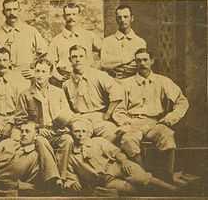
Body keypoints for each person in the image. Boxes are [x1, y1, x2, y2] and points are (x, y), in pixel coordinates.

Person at [113, 48, 189, 176]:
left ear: (151, 61)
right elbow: (119, 110)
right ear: (135, 63)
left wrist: (170, 119)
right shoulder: (125, 84)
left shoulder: (163, 81)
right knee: (127, 140)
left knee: (167, 135)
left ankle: (167, 176)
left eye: (145, 60)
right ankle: (144, 177)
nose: (142, 63)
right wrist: (125, 124)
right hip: (133, 123)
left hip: (154, 122)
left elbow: (182, 102)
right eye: (138, 61)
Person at [65, 117, 178, 194]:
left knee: (141, 177)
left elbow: (116, 152)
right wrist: (74, 182)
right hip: (105, 180)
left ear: (89, 133)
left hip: (117, 167)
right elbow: (70, 173)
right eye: (77, 131)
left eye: (84, 131)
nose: (80, 135)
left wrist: (124, 161)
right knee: (128, 189)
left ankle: (174, 190)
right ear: (72, 133)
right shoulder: (71, 156)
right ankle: (157, 194)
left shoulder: (97, 141)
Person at [17, 57, 74, 186]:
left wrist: (60, 126)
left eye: (44, 72)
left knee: (67, 140)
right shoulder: (25, 94)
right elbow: (20, 120)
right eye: (37, 71)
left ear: (49, 74)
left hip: (55, 131)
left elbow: (67, 113)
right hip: (39, 133)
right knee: (40, 141)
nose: (40, 75)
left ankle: (63, 177)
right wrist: (37, 128)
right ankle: (53, 179)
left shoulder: (58, 92)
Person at [63, 45, 124, 142]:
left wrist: (107, 114)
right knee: (78, 141)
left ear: (86, 58)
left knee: (112, 136)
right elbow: (66, 108)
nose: (78, 60)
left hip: (99, 117)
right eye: (74, 57)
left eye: (81, 56)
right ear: (69, 59)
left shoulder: (99, 76)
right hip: (80, 119)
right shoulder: (66, 84)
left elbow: (118, 92)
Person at [0, 0, 48, 91]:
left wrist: (35, 72)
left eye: (15, 9)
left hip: (25, 79)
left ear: (19, 11)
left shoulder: (31, 31)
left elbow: (45, 55)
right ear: (3, 12)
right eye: (8, 10)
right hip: (3, 80)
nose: (12, 13)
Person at [48, 2, 102, 86]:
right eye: (68, 14)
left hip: (88, 79)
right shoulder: (56, 40)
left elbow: (105, 52)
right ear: (64, 17)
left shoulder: (89, 36)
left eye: (74, 14)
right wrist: (58, 77)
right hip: (66, 80)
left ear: (79, 16)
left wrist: (96, 68)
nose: (71, 17)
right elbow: (50, 63)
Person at [101, 5, 146, 80]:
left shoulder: (140, 42)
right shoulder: (107, 41)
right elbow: (104, 63)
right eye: (119, 17)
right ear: (116, 19)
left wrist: (114, 65)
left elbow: (139, 65)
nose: (122, 20)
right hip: (113, 82)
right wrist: (126, 60)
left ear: (132, 18)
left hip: (133, 83)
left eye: (125, 17)